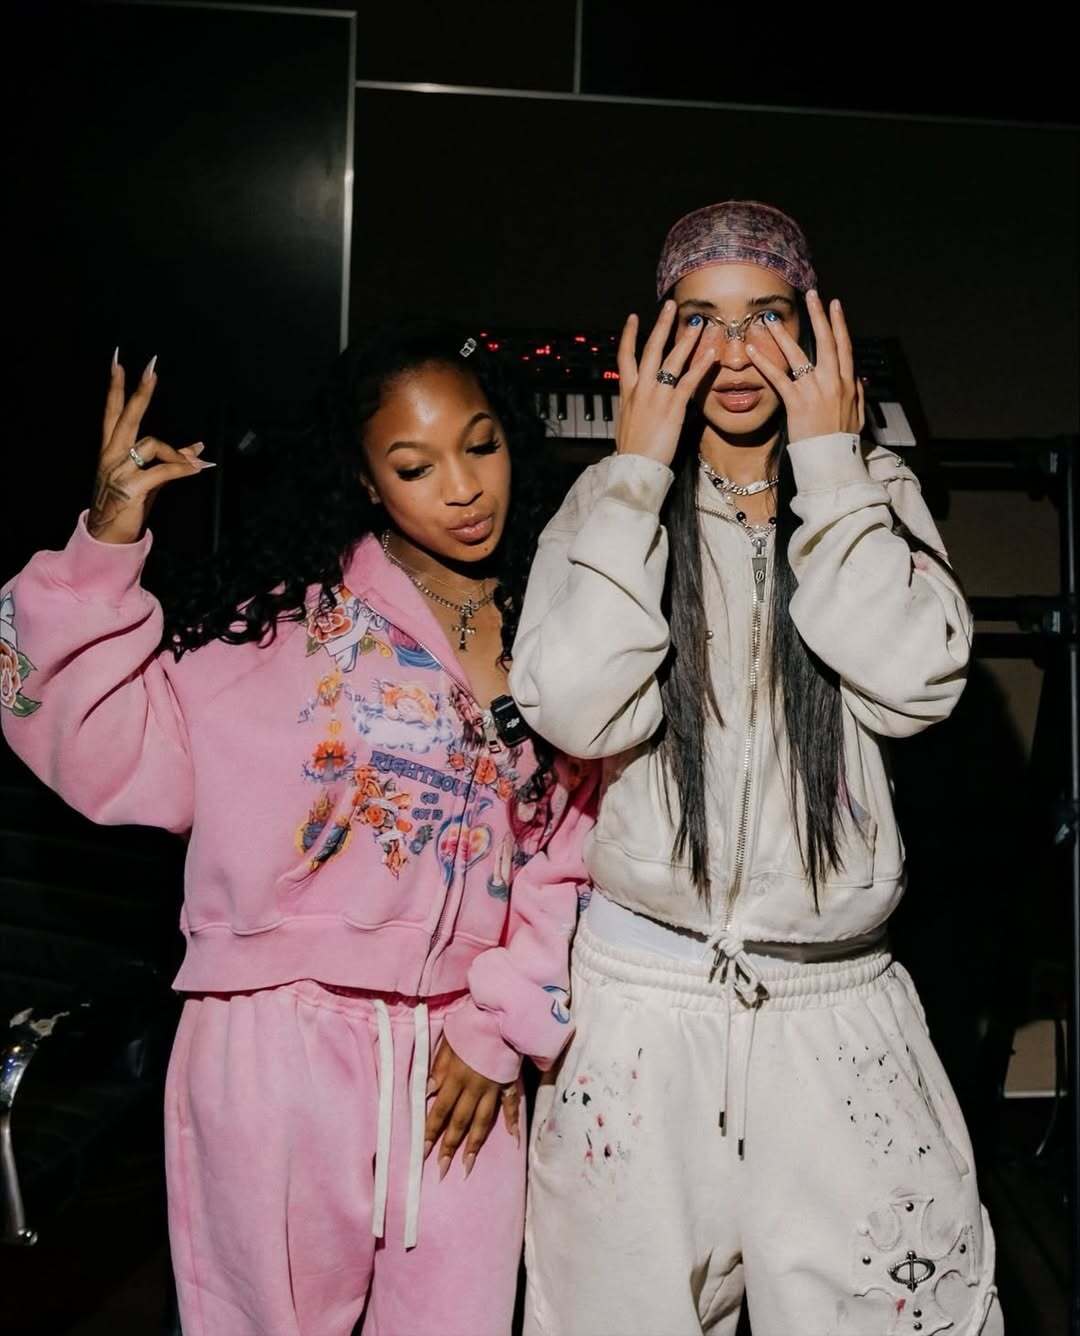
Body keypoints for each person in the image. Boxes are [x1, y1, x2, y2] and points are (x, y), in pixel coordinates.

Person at [0, 327, 594, 1336]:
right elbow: (88, 738)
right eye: (414, 466)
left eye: (480, 446)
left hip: (462, 1056)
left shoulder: (561, 628)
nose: (462, 489)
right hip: (272, 1045)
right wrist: (105, 541)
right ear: (365, 480)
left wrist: (499, 1024)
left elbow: (579, 837)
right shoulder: (276, 629)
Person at [512, 201, 1002, 1335]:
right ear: (657, 339)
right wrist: (636, 474)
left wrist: (831, 466)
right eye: (700, 321)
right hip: (641, 1009)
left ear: (816, 330)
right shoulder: (608, 500)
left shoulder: (871, 491)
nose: (734, 354)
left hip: (833, 1009)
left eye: (766, 317)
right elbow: (578, 710)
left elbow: (916, 682)